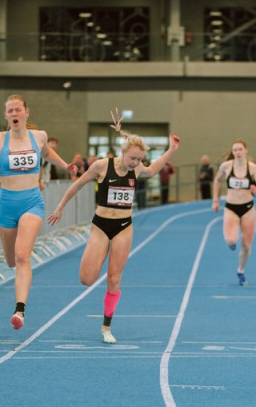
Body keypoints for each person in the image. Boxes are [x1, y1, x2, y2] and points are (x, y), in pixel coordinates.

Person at [48, 109, 180, 343]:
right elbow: (77, 186)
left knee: (114, 278)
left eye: (139, 159)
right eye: (133, 158)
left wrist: (170, 150)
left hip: (123, 226)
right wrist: (60, 207)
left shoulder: (137, 169)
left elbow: (152, 170)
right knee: (87, 279)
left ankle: (106, 326)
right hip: (100, 225)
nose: (136, 163)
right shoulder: (101, 166)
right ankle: (95, 261)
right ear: (123, 153)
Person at [0, 94, 76, 330]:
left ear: (27, 113)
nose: (14, 114)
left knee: (21, 257)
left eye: (18, 110)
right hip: (6, 203)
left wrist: (66, 165)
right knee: (9, 260)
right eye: (10, 111)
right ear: (6, 116)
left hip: (31, 201)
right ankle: (15, 277)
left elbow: (47, 153)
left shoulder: (39, 136)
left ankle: (20, 310)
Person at [212, 140, 256, 286]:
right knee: (230, 240)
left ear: (245, 150)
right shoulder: (226, 166)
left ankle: (240, 271)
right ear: (233, 152)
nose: (237, 152)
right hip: (231, 207)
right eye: (235, 150)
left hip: (248, 208)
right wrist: (215, 200)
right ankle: (231, 242)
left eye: (240, 149)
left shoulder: (253, 168)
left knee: (246, 246)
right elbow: (217, 181)